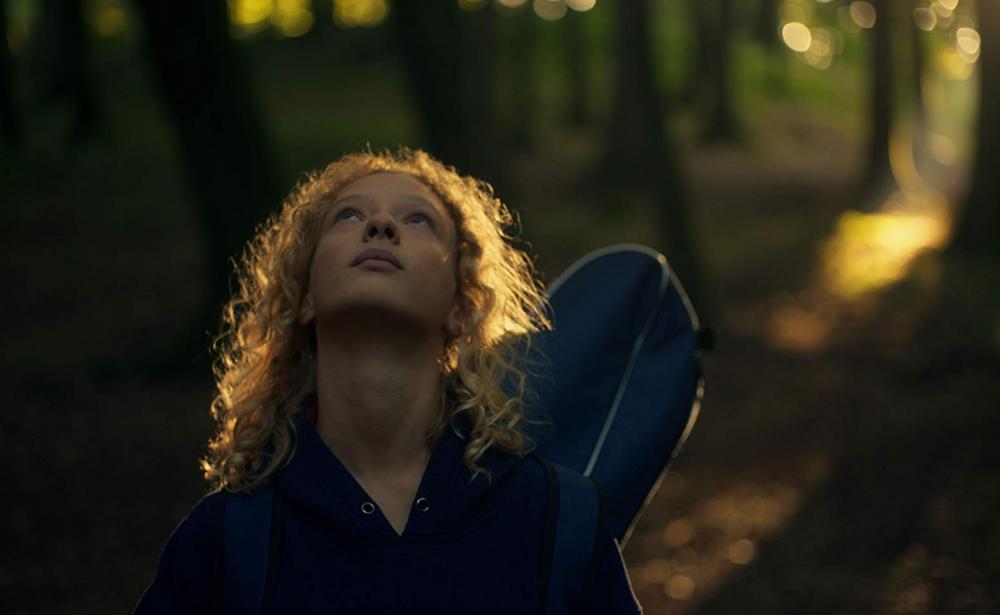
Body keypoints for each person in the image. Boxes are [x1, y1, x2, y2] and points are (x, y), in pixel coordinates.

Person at [133, 147, 643, 614]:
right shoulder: (226, 540)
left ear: (462, 305)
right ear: (304, 297)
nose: (380, 224)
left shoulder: (559, 518)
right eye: (349, 215)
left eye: (418, 219)